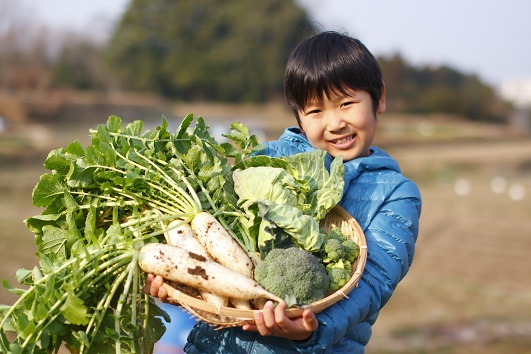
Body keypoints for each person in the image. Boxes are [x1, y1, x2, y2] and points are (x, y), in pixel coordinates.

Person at [145, 30, 422, 353]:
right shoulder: (265, 161)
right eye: (316, 111)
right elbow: (216, 249)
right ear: (299, 117)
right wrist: (183, 281)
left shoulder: (395, 194)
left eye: (346, 104)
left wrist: (311, 330)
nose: (334, 123)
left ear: (380, 98)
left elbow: (373, 284)